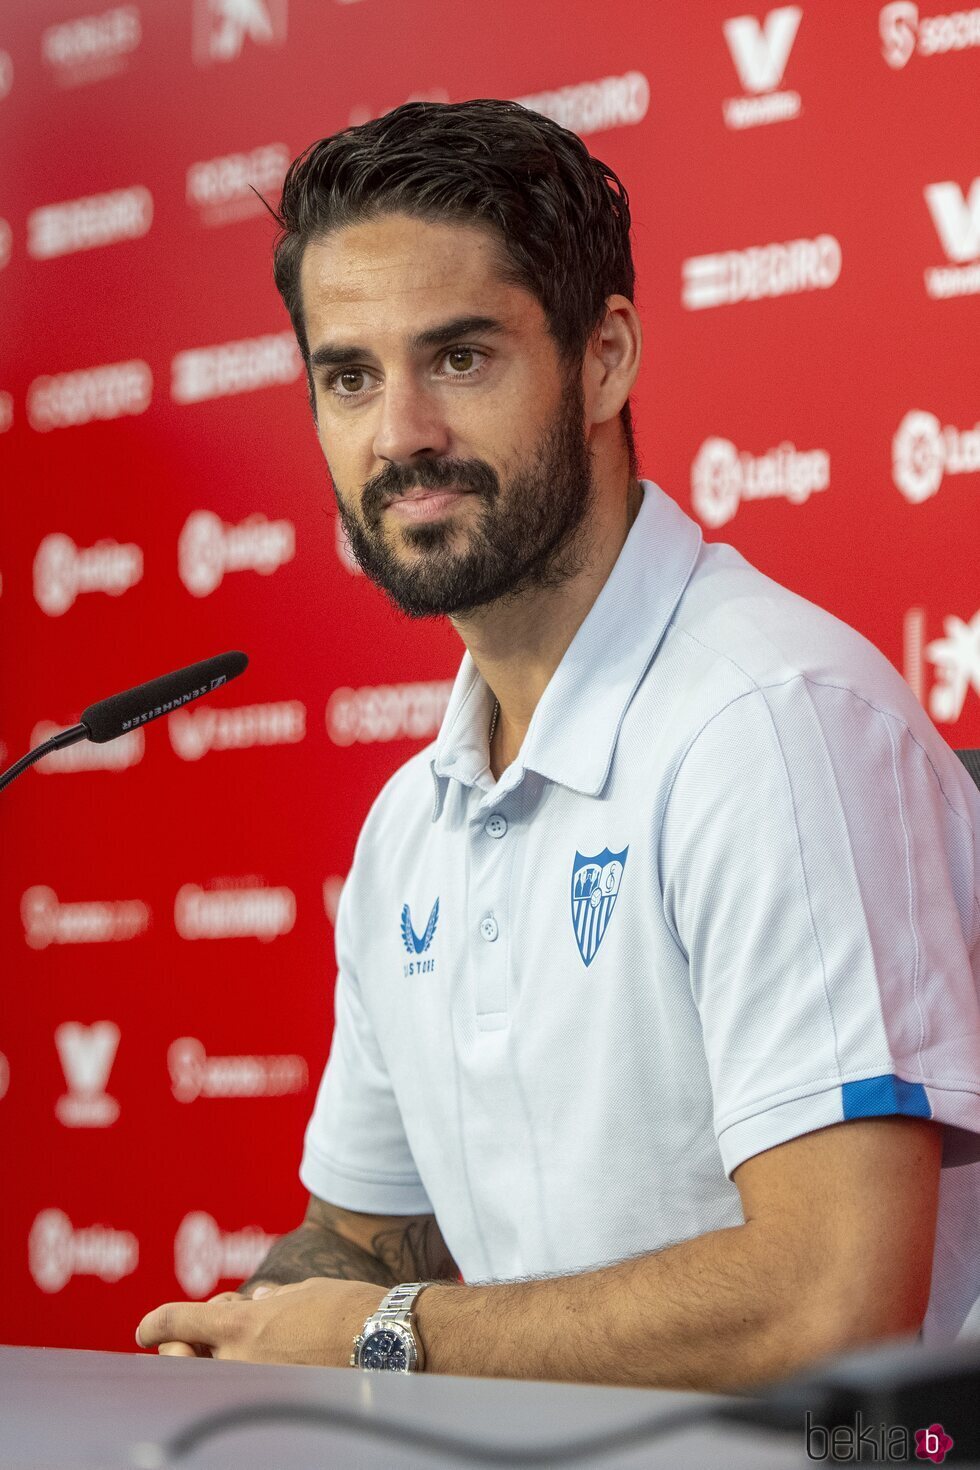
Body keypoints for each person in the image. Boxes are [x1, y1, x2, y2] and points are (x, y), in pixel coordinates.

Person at [136, 98, 980, 1388]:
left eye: (460, 358)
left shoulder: (770, 725)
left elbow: (836, 1303)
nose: (399, 431)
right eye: (347, 375)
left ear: (605, 358)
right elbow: (359, 1242)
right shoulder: (413, 822)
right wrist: (218, 1357)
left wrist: (390, 1334)